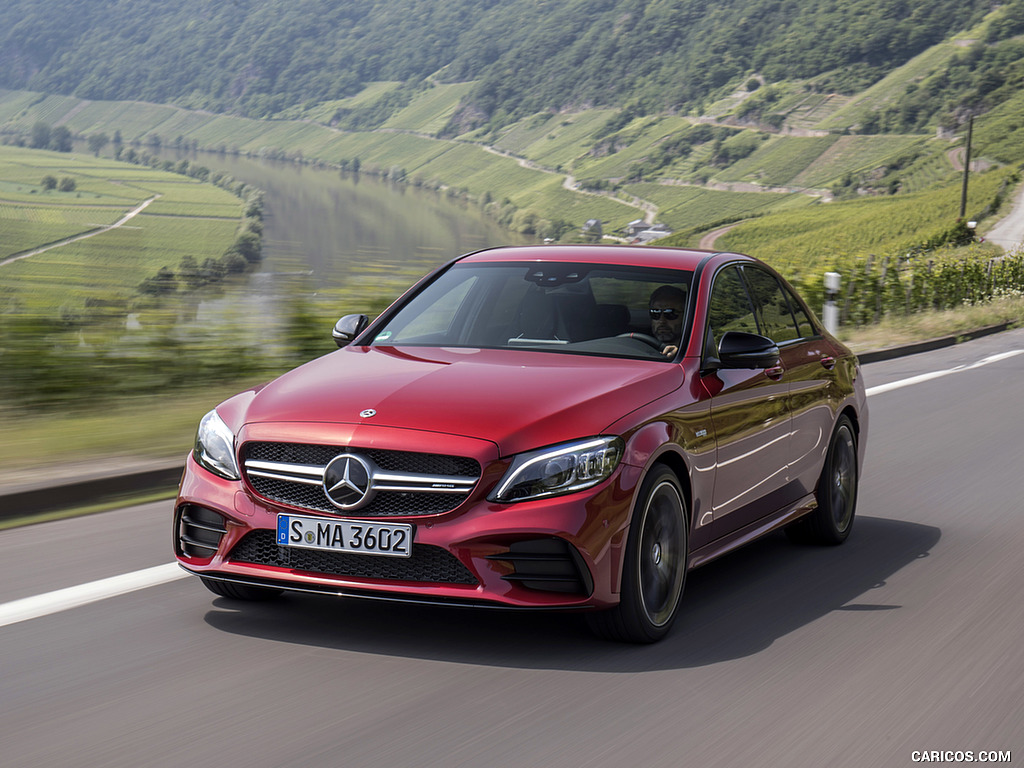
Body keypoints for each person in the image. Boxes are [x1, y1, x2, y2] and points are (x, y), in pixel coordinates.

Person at [649, 285, 687, 357]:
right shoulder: (637, 344)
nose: (662, 320)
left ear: (686, 315)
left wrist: (680, 354)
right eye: (655, 313)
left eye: (670, 314)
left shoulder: (695, 350)